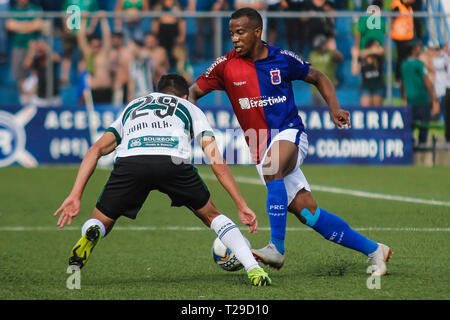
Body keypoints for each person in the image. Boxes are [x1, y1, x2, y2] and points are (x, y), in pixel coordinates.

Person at [189, 8, 392, 276]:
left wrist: (334, 108)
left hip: (290, 134)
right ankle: (375, 250)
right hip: (260, 148)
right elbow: (192, 92)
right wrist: (193, 124)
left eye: (240, 33)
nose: (235, 39)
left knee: (273, 166)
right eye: (231, 34)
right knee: (308, 213)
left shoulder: (282, 59)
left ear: (257, 32)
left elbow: (318, 76)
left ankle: (277, 248)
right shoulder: (225, 65)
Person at [53, 73, 271, 287]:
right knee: (212, 216)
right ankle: (254, 268)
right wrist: (241, 204)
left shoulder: (134, 106)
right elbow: (216, 161)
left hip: (131, 162)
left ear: (156, 93)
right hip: (172, 162)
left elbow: (96, 149)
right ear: (185, 96)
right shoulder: (191, 108)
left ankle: (93, 231)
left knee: (102, 221)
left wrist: (75, 195)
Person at [401, 40, 440, 146]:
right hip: (422, 99)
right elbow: (427, 82)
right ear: (414, 50)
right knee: (423, 124)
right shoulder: (419, 64)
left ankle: (411, 145)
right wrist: (434, 98)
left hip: (410, 99)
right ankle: (422, 145)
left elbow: (403, 84)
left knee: (410, 125)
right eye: (418, 47)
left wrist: (404, 99)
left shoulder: (404, 65)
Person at [5, 0, 43, 104]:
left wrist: (20, 26)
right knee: (20, 75)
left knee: (34, 73)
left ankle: (35, 99)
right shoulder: (13, 10)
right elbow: (9, 25)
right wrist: (28, 26)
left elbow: (38, 25)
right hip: (18, 45)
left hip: (33, 45)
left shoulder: (35, 9)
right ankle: (24, 100)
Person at [77, 11, 113, 104]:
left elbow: (107, 36)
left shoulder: (103, 54)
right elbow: (81, 37)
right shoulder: (89, 55)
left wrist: (103, 20)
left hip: (106, 89)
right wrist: (84, 20)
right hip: (93, 91)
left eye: (98, 46)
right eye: (94, 46)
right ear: (91, 46)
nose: (96, 48)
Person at [308, 34, 343, 106]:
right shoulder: (312, 54)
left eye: (320, 47)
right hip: (315, 88)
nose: (319, 49)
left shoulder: (330, 53)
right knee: (316, 110)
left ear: (325, 45)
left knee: (328, 110)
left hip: (327, 87)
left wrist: (334, 50)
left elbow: (340, 58)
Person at [351, 39, 386, 107]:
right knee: (366, 109)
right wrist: (355, 57)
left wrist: (361, 52)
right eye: (376, 46)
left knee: (377, 109)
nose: (378, 47)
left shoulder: (379, 58)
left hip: (378, 86)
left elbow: (381, 51)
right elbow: (354, 72)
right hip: (366, 87)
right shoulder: (363, 60)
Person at [391, 0, 416, 84]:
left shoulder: (409, 7)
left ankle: (407, 78)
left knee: (408, 59)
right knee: (401, 59)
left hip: (408, 37)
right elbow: (392, 19)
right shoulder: (398, 6)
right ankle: (398, 79)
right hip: (399, 37)